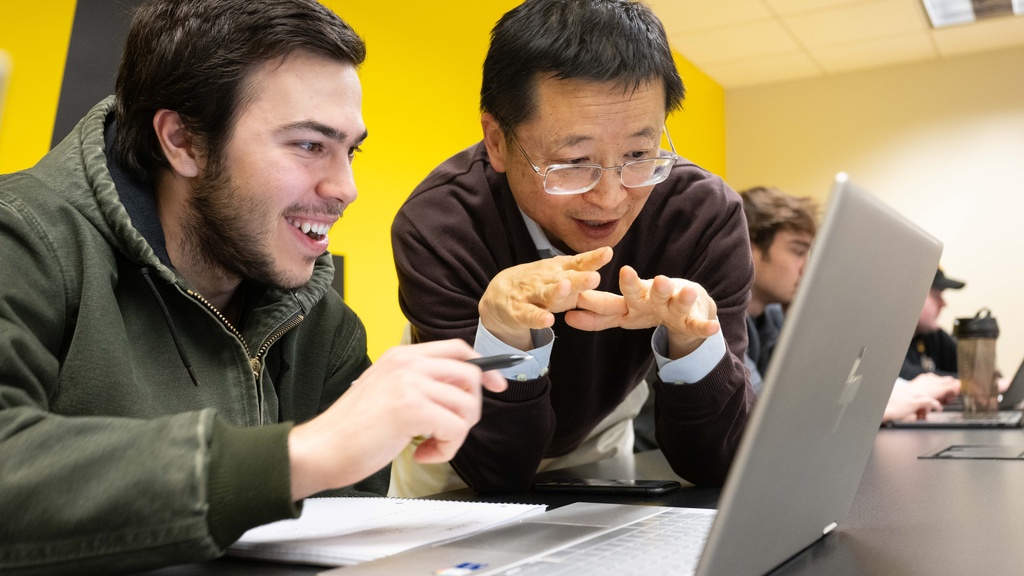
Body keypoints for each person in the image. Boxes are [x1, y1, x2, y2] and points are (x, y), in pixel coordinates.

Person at [0, 1, 506, 573]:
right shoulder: (19, 240)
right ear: (183, 141)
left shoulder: (322, 323)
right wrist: (302, 455)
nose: (346, 187)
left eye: (350, 150)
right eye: (309, 145)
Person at [390, 0, 756, 497]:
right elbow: (494, 470)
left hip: (602, 429)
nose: (610, 198)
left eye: (638, 153)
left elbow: (721, 466)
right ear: (497, 142)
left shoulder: (701, 216)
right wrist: (504, 336)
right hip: (461, 445)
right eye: (574, 162)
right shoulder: (440, 227)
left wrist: (693, 346)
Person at [740, 186, 818, 394]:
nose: (806, 268)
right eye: (798, 251)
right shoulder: (718, 318)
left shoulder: (772, 315)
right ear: (748, 246)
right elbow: (758, 405)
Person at [900, 268, 964, 380]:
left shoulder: (936, 337)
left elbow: (973, 373)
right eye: (936, 296)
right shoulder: (887, 342)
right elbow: (907, 375)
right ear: (912, 297)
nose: (943, 304)